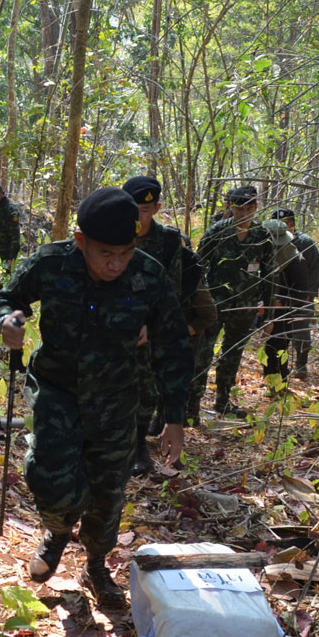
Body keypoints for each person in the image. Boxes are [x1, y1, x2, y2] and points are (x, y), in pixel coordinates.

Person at [0, 187, 192, 610]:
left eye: (125, 252)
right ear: (81, 241)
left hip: (118, 398)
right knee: (55, 484)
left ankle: (96, 564)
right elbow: (10, 298)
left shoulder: (149, 275)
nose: (116, 264)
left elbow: (172, 345)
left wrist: (175, 417)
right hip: (57, 392)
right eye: (105, 253)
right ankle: (59, 530)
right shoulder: (51, 262)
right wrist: (9, 320)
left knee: (108, 491)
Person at [123, 175, 218, 472]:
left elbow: (172, 290)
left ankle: (139, 445)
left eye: (146, 210)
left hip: (150, 326)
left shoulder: (167, 241)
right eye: (135, 208)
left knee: (146, 386)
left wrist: (154, 326)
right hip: (112, 319)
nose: (140, 215)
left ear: (157, 208)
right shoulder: (112, 230)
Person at [196, 184, 276, 417]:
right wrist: (198, 302)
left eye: (249, 209)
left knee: (232, 353)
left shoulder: (262, 236)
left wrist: (267, 310)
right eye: (239, 209)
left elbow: (269, 275)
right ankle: (192, 403)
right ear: (231, 207)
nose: (244, 214)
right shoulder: (218, 232)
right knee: (203, 353)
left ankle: (223, 401)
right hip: (214, 305)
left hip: (245, 306)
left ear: (256, 208)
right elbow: (198, 266)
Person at [270, 209, 319, 379]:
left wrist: (308, 294)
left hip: (301, 294)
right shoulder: (271, 241)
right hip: (279, 296)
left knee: (300, 329)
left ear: (291, 223)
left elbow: (316, 269)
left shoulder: (305, 242)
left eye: (283, 223)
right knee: (279, 333)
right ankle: (277, 368)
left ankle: (301, 365)